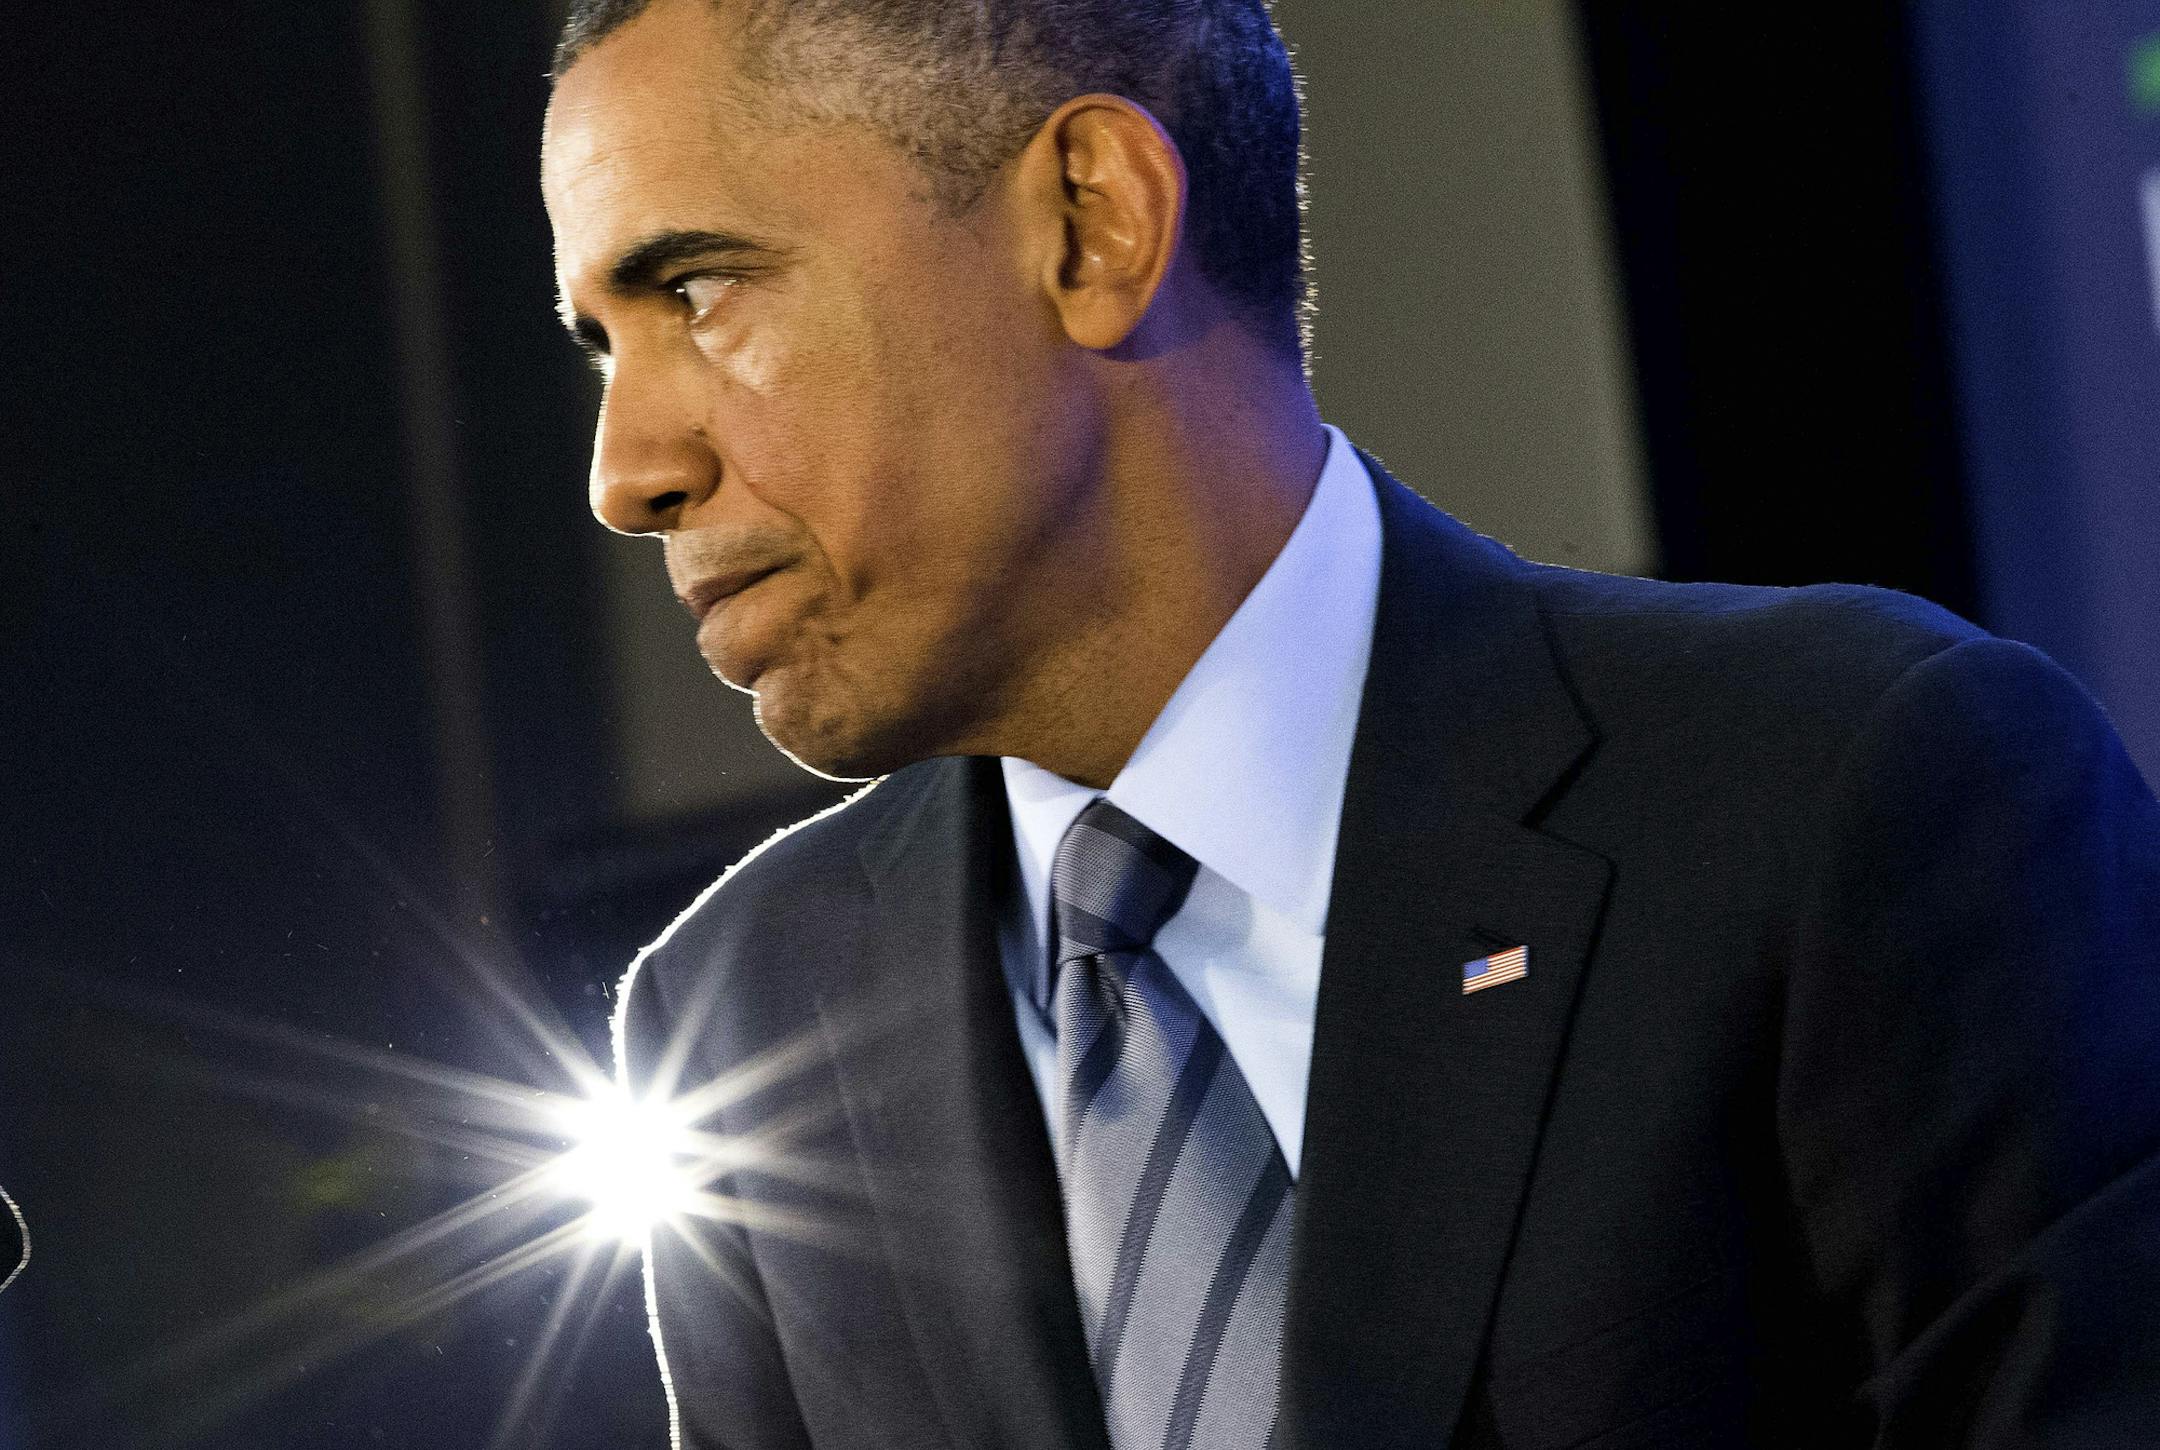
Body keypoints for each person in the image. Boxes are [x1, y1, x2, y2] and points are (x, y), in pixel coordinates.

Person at [539, 1, 2160, 1446]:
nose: (627, 471)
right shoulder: (744, 1014)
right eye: (604, 345)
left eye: (695, 287)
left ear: (1091, 223)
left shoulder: (1852, 793)